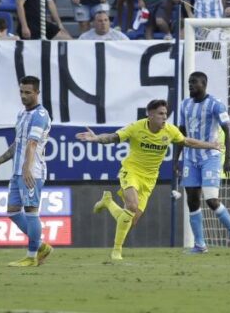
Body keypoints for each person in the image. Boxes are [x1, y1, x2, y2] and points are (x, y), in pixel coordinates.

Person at [79, 99, 218, 260]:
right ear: (150, 115)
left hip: (150, 179)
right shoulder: (136, 127)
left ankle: (108, 201)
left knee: (130, 221)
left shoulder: (170, 131)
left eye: (166, 114)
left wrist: (210, 145)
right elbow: (113, 137)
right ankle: (116, 250)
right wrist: (97, 139)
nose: (164, 117)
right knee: (132, 205)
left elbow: (186, 141)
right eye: (160, 114)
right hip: (131, 171)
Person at [171, 71, 230, 254]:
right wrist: (176, 159)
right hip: (190, 157)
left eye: (194, 83)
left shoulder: (215, 104)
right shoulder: (185, 105)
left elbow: (228, 131)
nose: (190, 85)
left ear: (204, 84)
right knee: (193, 201)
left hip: (210, 157)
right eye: (189, 82)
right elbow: (180, 133)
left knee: (211, 199)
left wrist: (228, 159)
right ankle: (200, 244)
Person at [0, 76, 55, 266]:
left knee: (31, 211)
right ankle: (41, 245)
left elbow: (32, 144)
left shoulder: (40, 115)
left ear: (37, 93)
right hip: (18, 172)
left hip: (32, 171)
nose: (24, 96)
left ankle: (32, 256)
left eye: (28, 92)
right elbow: (19, 144)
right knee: (12, 211)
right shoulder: (22, 115)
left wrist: (27, 168)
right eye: (21, 92)